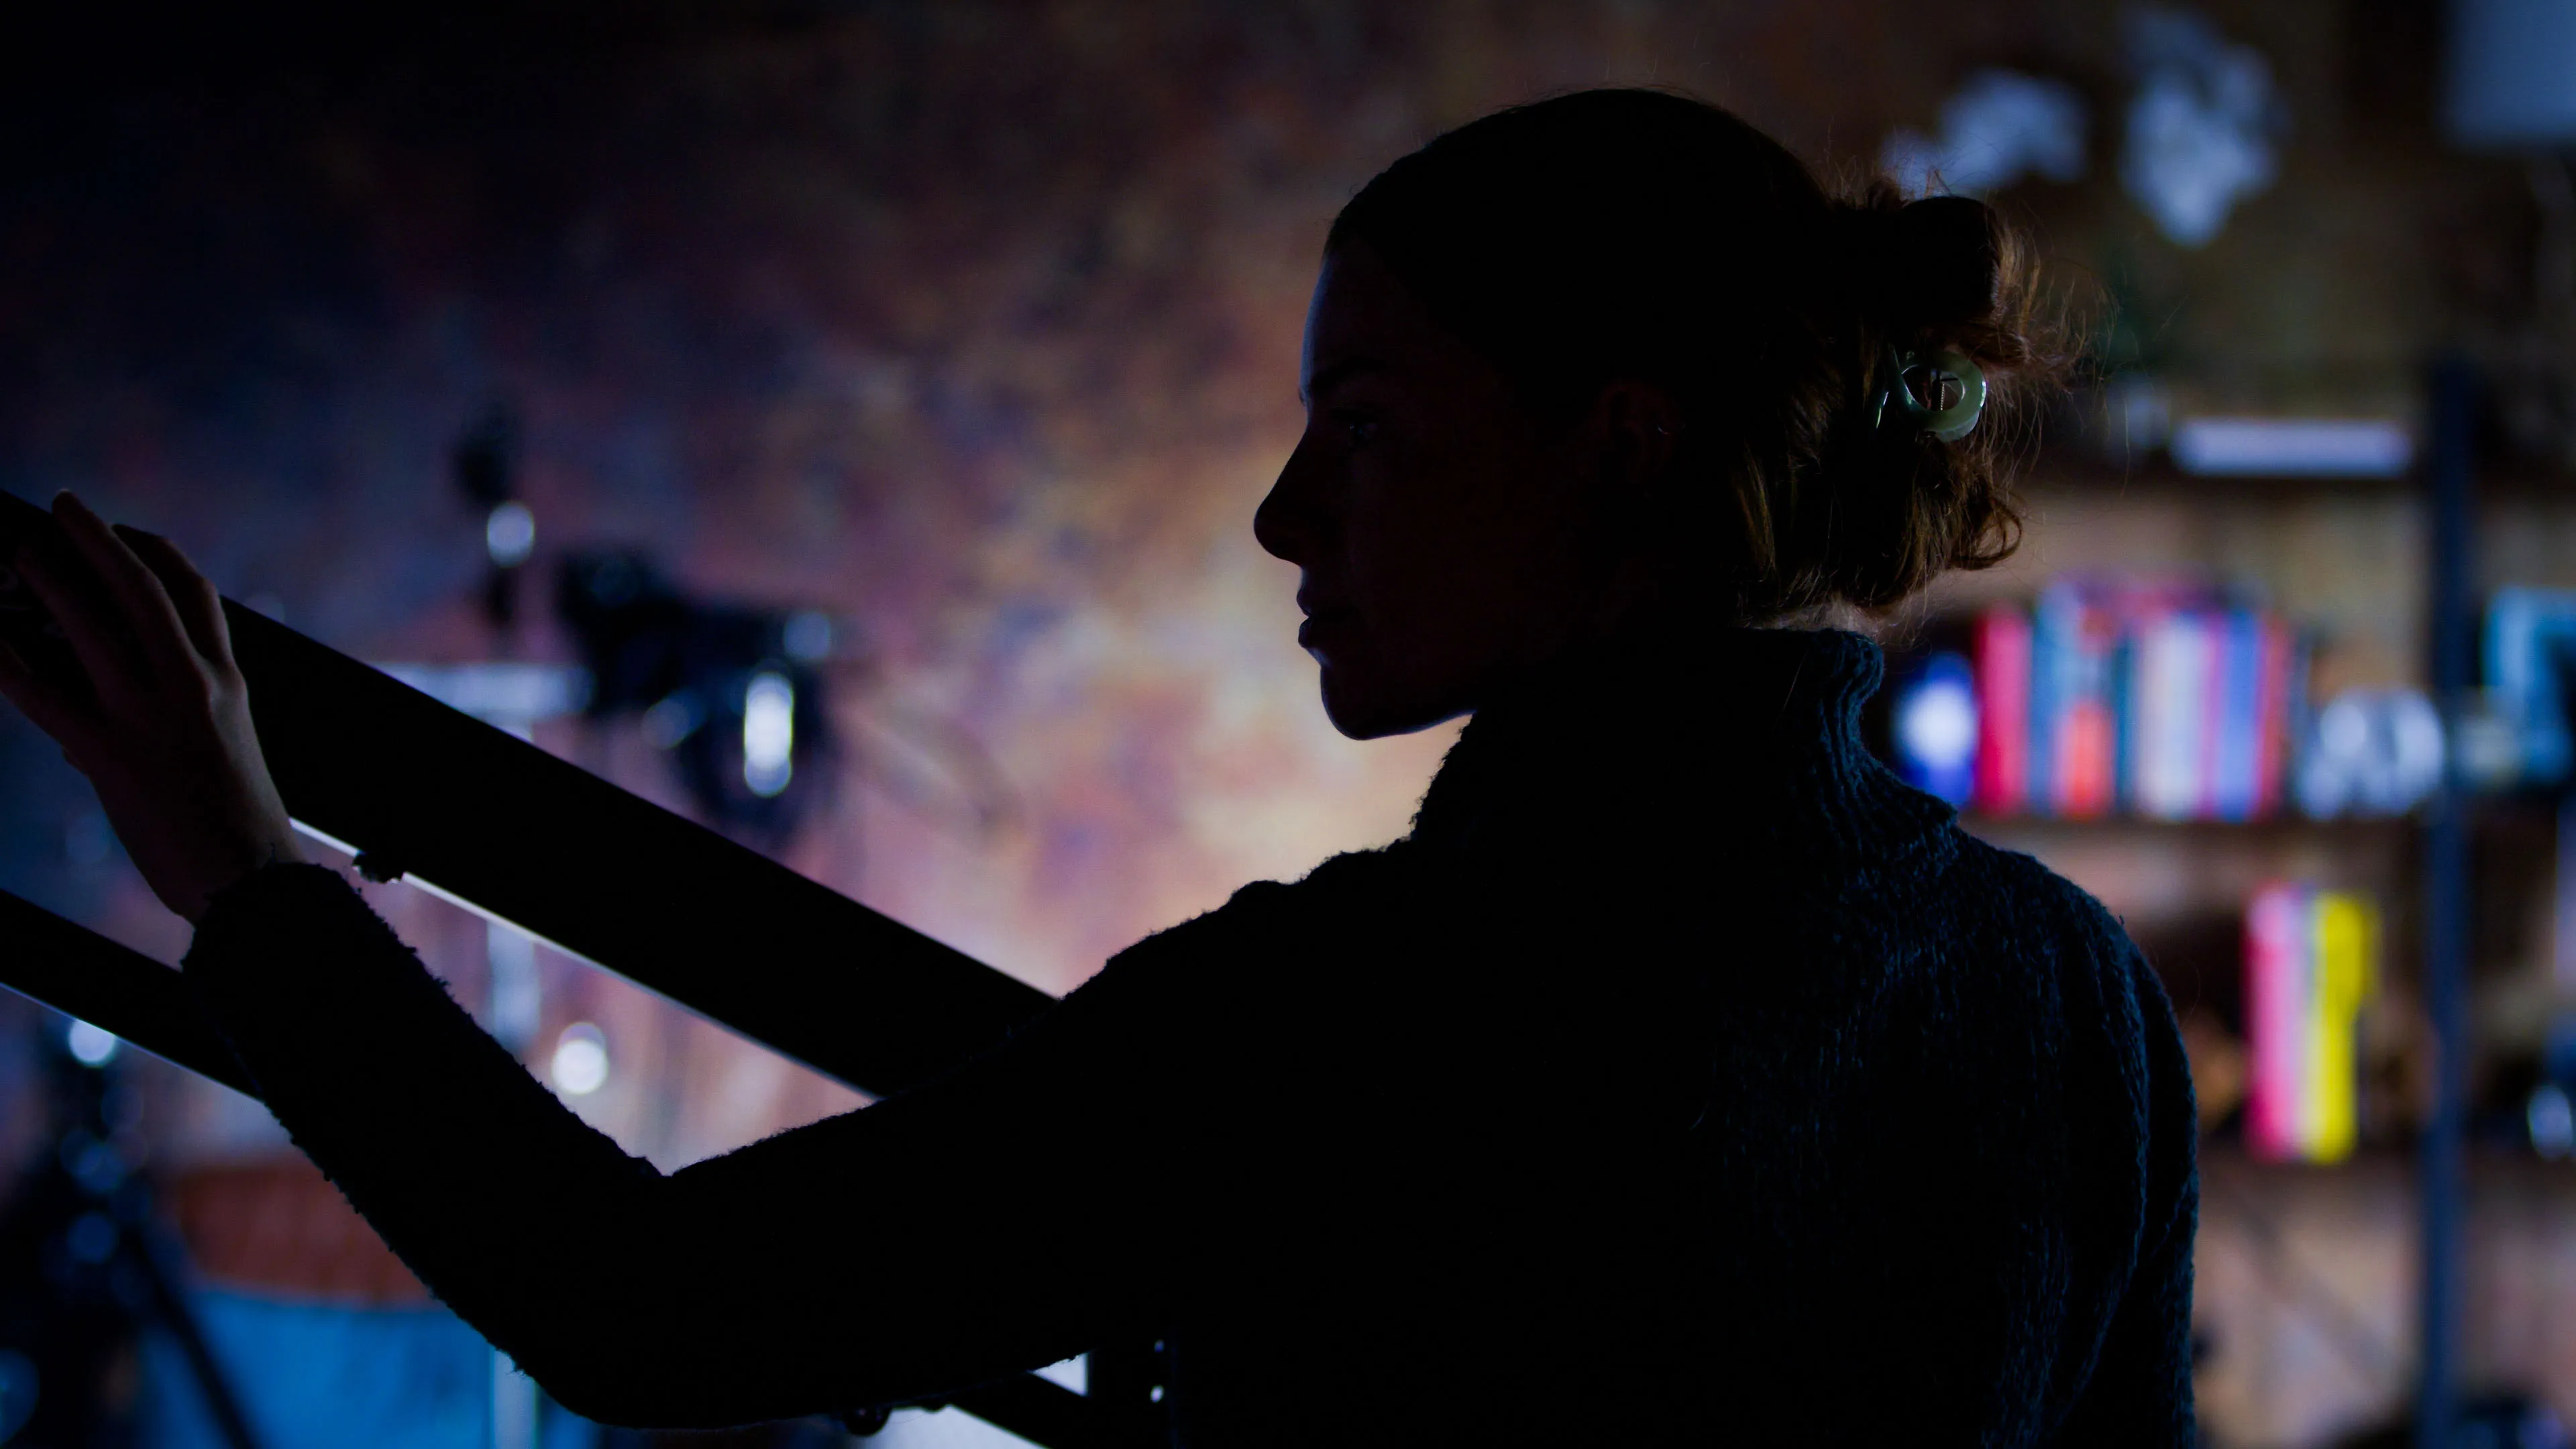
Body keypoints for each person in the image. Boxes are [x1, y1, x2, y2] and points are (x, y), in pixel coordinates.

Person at [0, 89, 2195, 1445]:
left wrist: (244, 879)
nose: (1285, 517)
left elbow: (641, 1309)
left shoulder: (1364, 1013)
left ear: (1618, 448)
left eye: (1364, 431)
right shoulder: (2072, 998)